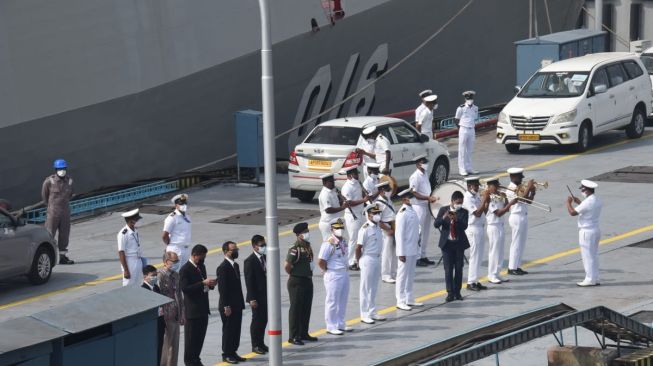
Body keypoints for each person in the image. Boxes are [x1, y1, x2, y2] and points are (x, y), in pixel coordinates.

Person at [180, 244, 216, 366]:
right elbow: (185, 289)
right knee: (191, 340)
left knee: (200, 338)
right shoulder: (185, 269)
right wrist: (202, 283)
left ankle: (196, 359)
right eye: (202, 256)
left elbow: (203, 283)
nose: (203, 259)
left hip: (203, 309)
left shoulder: (201, 266)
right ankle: (190, 361)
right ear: (195, 255)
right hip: (192, 311)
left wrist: (210, 284)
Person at [285, 223, 318, 345]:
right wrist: (294, 274)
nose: (307, 233)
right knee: (295, 309)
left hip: (307, 280)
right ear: (299, 235)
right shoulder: (295, 248)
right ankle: (293, 336)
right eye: (305, 232)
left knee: (306, 308)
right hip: (297, 281)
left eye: (307, 231)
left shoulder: (307, 246)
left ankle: (303, 333)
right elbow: (287, 266)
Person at [434, 191, 470, 302]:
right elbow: (436, 224)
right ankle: (450, 293)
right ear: (452, 201)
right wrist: (443, 217)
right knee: (448, 269)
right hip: (447, 244)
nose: (459, 204)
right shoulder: (443, 210)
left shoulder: (463, 212)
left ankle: (457, 292)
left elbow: (464, 226)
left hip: (459, 244)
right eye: (457, 202)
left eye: (461, 203)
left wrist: (456, 219)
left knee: (459, 269)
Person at [318, 219, 351, 335]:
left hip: (344, 272)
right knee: (332, 301)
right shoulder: (329, 243)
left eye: (341, 227)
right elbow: (321, 260)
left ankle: (340, 323)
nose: (340, 230)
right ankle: (331, 325)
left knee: (343, 299)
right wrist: (326, 270)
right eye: (337, 228)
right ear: (332, 229)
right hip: (333, 273)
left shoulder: (343, 241)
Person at [566, 180, 603, 287]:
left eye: (582, 189)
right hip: (595, 230)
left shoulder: (587, 202)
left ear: (585, 190)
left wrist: (568, 203)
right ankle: (595, 278)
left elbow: (572, 213)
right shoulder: (596, 200)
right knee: (594, 255)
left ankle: (590, 279)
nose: (581, 191)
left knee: (587, 256)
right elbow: (588, 208)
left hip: (587, 232)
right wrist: (579, 202)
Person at [356, 204, 386, 324]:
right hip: (367, 259)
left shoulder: (377, 227)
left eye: (378, 213)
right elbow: (358, 248)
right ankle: (364, 314)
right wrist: (359, 262)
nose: (378, 215)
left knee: (373, 287)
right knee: (365, 288)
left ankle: (372, 311)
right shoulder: (365, 229)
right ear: (369, 215)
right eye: (375, 213)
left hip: (377, 258)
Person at [217, 241, 246, 364]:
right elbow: (223, 289)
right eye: (233, 250)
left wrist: (241, 303)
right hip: (228, 306)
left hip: (237, 304)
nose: (236, 252)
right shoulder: (223, 268)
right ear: (225, 252)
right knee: (228, 330)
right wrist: (226, 306)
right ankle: (227, 353)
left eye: (236, 249)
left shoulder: (235, 265)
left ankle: (233, 351)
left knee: (236, 330)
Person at [42, 158, 74, 264]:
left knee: (64, 234)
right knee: (49, 234)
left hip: (65, 212)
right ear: (56, 169)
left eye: (64, 168)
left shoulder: (69, 181)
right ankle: (48, 256)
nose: (62, 170)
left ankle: (63, 256)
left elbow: (70, 195)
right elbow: (45, 196)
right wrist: (51, 207)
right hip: (53, 213)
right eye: (60, 169)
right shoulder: (49, 181)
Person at [485, 178, 517, 284]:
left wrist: (507, 198)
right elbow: (498, 213)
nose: (498, 186)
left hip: (500, 225)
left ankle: (497, 273)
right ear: (489, 186)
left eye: (497, 184)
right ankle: (491, 275)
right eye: (495, 185)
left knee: (500, 251)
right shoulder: (488, 198)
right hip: (493, 226)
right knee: (494, 252)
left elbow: (505, 209)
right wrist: (511, 203)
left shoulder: (497, 196)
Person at [394, 188, 422, 311]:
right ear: (404, 199)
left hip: (413, 248)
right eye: (410, 196)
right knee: (402, 275)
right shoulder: (402, 213)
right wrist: (400, 252)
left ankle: (409, 298)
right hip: (405, 249)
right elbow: (399, 234)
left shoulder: (412, 210)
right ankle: (400, 300)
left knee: (410, 274)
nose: (412, 198)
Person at [505, 167, 536, 276]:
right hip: (516, 217)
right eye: (519, 177)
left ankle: (517, 266)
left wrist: (532, 192)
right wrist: (528, 187)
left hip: (523, 216)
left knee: (521, 243)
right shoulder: (510, 188)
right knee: (516, 243)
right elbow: (521, 198)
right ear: (513, 177)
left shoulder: (520, 187)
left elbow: (527, 201)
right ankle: (512, 267)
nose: (522, 179)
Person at [409, 155, 438, 267]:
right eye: (423, 162)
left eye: (426, 161)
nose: (426, 163)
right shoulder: (414, 177)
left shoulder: (425, 173)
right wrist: (427, 198)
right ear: (418, 164)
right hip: (419, 207)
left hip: (426, 206)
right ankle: (417, 257)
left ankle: (423, 255)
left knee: (426, 232)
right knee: (419, 233)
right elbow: (414, 193)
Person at [463, 177, 489, 292]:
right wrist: (484, 199)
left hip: (480, 227)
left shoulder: (477, 195)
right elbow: (477, 214)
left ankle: (476, 280)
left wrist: (487, 201)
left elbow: (483, 211)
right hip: (473, 229)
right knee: (474, 256)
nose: (478, 187)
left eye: (478, 185)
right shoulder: (467, 198)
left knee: (479, 256)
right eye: (475, 186)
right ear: (469, 186)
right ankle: (470, 282)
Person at [158, 252, 185, 366]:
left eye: (177, 261)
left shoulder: (176, 275)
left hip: (176, 314)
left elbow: (179, 295)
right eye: (174, 261)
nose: (176, 264)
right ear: (165, 262)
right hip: (166, 316)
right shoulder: (160, 276)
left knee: (175, 346)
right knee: (166, 346)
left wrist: (182, 313)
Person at [244, 235, 269, 355]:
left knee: (264, 320)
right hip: (257, 297)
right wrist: (252, 298)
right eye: (262, 245)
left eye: (265, 245)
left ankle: (261, 342)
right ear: (254, 246)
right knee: (257, 321)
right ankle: (255, 345)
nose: (264, 247)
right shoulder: (250, 261)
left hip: (266, 295)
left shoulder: (265, 257)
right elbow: (249, 282)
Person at [339, 166, 368, 270]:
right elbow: (349, 203)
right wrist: (363, 201)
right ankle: (351, 261)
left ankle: (358, 259)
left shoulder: (358, 183)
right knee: (353, 239)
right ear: (350, 175)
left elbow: (361, 195)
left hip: (360, 213)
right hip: (352, 215)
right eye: (356, 174)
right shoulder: (347, 187)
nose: (358, 175)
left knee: (361, 238)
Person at [142, 265, 165, 365]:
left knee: (159, 347)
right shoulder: (143, 290)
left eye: (156, 275)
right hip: (150, 325)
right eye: (152, 275)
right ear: (145, 276)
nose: (155, 277)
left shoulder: (156, 287)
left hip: (159, 322)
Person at [318, 173, 349, 244]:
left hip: (335, 223)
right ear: (325, 183)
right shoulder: (324, 194)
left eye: (333, 181)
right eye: (331, 182)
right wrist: (342, 207)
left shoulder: (333, 191)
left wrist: (342, 200)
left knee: (337, 243)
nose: (333, 183)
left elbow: (337, 203)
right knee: (329, 244)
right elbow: (328, 210)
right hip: (327, 224)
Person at [117, 208, 145, 287]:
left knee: (138, 284)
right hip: (130, 262)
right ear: (131, 221)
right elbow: (121, 252)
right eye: (137, 219)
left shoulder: (135, 230)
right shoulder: (123, 234)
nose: (138, 221)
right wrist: (126, 270)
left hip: (138, 259)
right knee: (128, 285)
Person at [376, 181, 397, 284]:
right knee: (387, 252)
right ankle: (385, 275)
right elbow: (377, 220)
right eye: (387, 190)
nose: (389, 191)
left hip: (393, 226)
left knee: (393, 252)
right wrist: (387, 229)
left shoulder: (388, 199)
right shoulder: (378, 204)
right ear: (381, 191)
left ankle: (392, 273)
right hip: (386, 229)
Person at [163, 194, 192, 265]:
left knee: (184, 273)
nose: (184, 205)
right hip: (175, 249)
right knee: (174, 272)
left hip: (186, 249)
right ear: (176, 205)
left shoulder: (187, 217)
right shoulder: (172, 218)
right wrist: (170, 245)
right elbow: (164, 235)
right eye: (181, 204)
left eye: (185, 203)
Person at [454, 91, 479, 176]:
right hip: (463, 129)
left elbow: (475, 118)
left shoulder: (475, 108)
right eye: (468, 98)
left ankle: (469, 168)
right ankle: (462, 169)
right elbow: (456, 119)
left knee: (470, 150)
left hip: (472, 129)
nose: (470, 100)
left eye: (471, 98)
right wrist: (460, 129)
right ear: (465, 99)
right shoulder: (461, 108)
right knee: (462, 150)